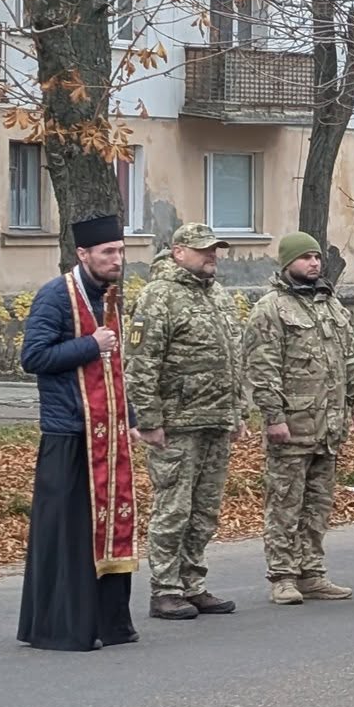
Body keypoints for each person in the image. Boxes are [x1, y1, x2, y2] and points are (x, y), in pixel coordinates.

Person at [16, 215, 140, 651]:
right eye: (108, 253)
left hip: (109, 433)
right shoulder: (55, 295)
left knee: (108, 528)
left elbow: (115, 369)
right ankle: (61, 626)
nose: (116, 260)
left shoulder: (108, 297)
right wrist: (91, 344)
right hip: (69, 432)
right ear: (82, 255)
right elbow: (33, 356)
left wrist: (134, 418)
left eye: (120, 251)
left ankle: (110, 623)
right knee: (71, 534)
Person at [127, 222, 246, 621]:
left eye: (215, 249)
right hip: (177, 422)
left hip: (215, 418)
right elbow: (142, 364)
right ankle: (165, 588)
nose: (211, 255)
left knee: (205, 509)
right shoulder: (159, 296)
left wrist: (238, 412)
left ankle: (192, 582)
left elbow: (234, 359)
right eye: (203, 250)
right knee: (173, 508)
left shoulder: (218, 295)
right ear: (178, 252)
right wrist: (148, 419)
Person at [245, 232, 354, 605]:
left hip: (329, 426)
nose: (314, 264)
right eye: (306, 258)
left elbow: (351, 357)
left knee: (318, 504)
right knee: (285, 502)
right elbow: (262, 368)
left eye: (317, 258)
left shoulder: (331, 305)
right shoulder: (271, 308)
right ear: (287, 264)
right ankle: (282, 575)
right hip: (293, 425)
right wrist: (273, 416)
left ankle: (312, 571)